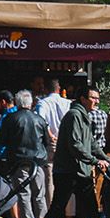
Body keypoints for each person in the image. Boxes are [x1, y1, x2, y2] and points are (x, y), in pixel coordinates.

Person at [42, 87, 109, 218]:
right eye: (93, 98)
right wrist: (94, 161)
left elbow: (91, 143)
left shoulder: (84, 116)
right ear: (83, 99)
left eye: (97, 98)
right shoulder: (74, 116)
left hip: (79, 170)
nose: (96, 101)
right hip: (68, 170)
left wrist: (106, 159)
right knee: (58, 207)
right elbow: (75, 144)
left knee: (91, 208)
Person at [0, 89, 50, 218]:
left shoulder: (11, 119)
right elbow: (47, 142)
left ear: (17, 102)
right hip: (37, 162)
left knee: (23, 194)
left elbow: (1, 141)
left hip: (18, 161)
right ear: (31, 103)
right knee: (39, 195)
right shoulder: (39, 119)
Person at [35, 78, 70, 206]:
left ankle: (52, 212)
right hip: (65, 142)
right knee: (67, 177)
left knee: (49, 177)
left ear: (45, 89)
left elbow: (41, 121)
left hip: (51, 142)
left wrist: (49, 134)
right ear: (59, 89)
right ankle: (69, 214)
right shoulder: (67, 103)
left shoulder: (42, 103)